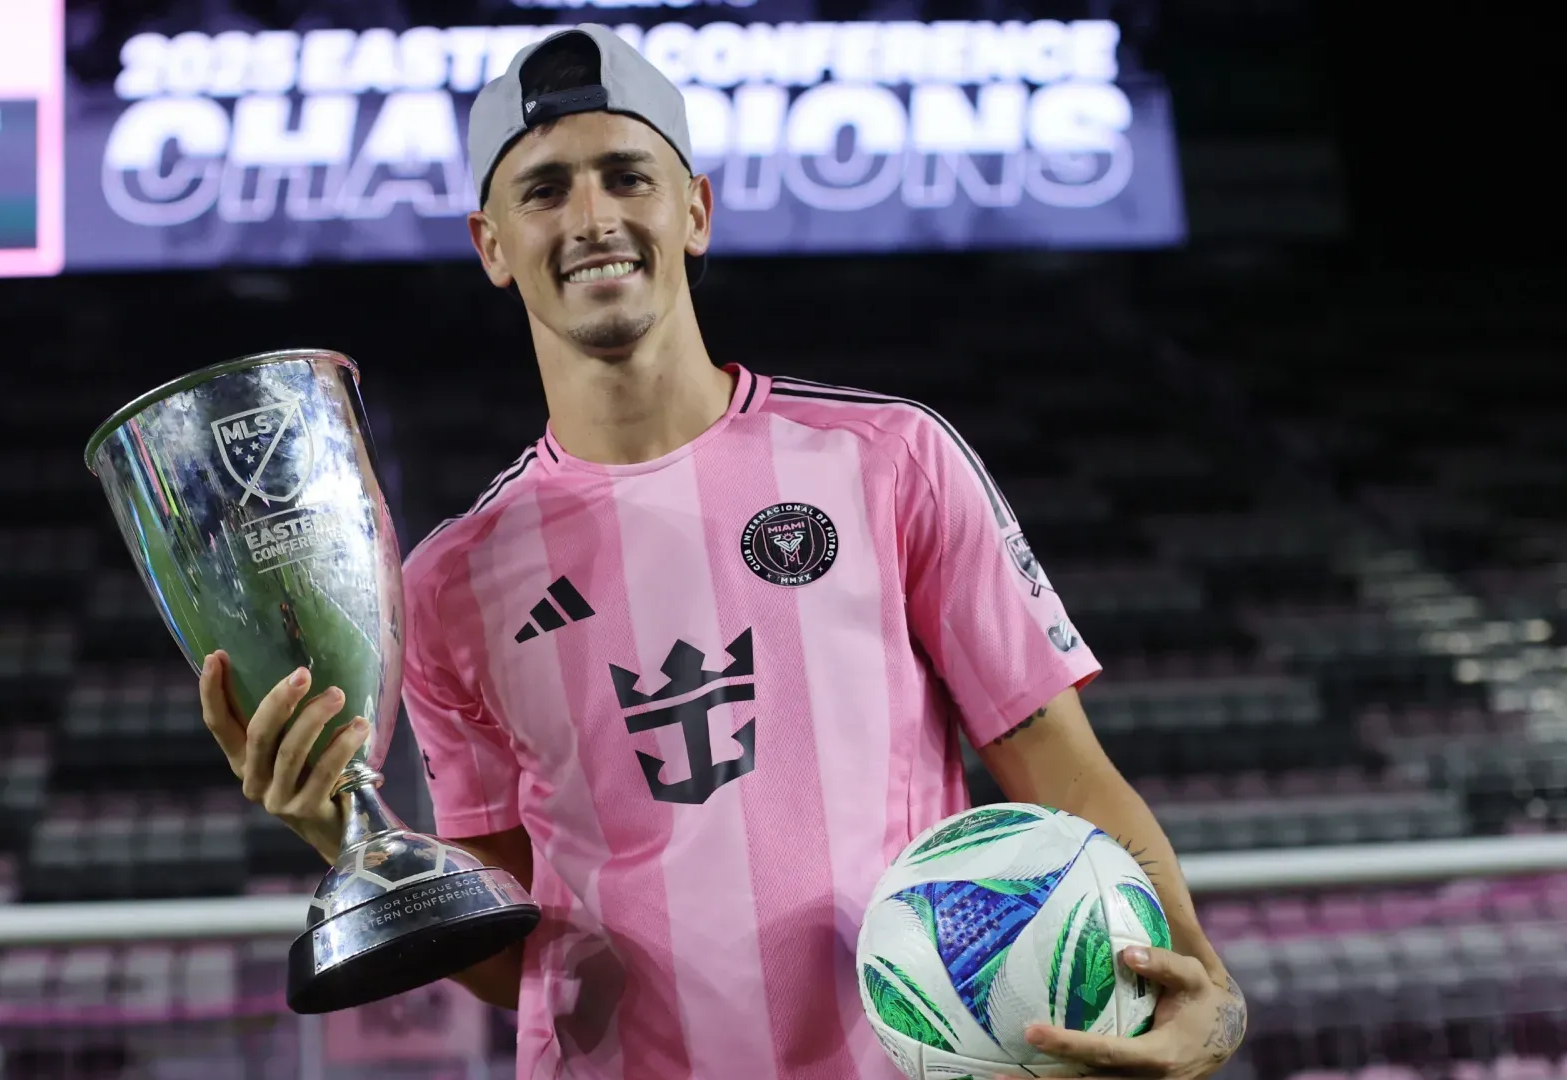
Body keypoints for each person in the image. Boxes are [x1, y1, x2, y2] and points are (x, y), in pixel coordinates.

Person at [198, 23, 1247, 1080]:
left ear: (694, 209)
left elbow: (1067, 774)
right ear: (492, 245)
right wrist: (344, 838)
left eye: (627, 177)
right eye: (545, 190)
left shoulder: (891, 461)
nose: (593, 218)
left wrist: (1201, 984)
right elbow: (517, 960)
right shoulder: (445, 586)